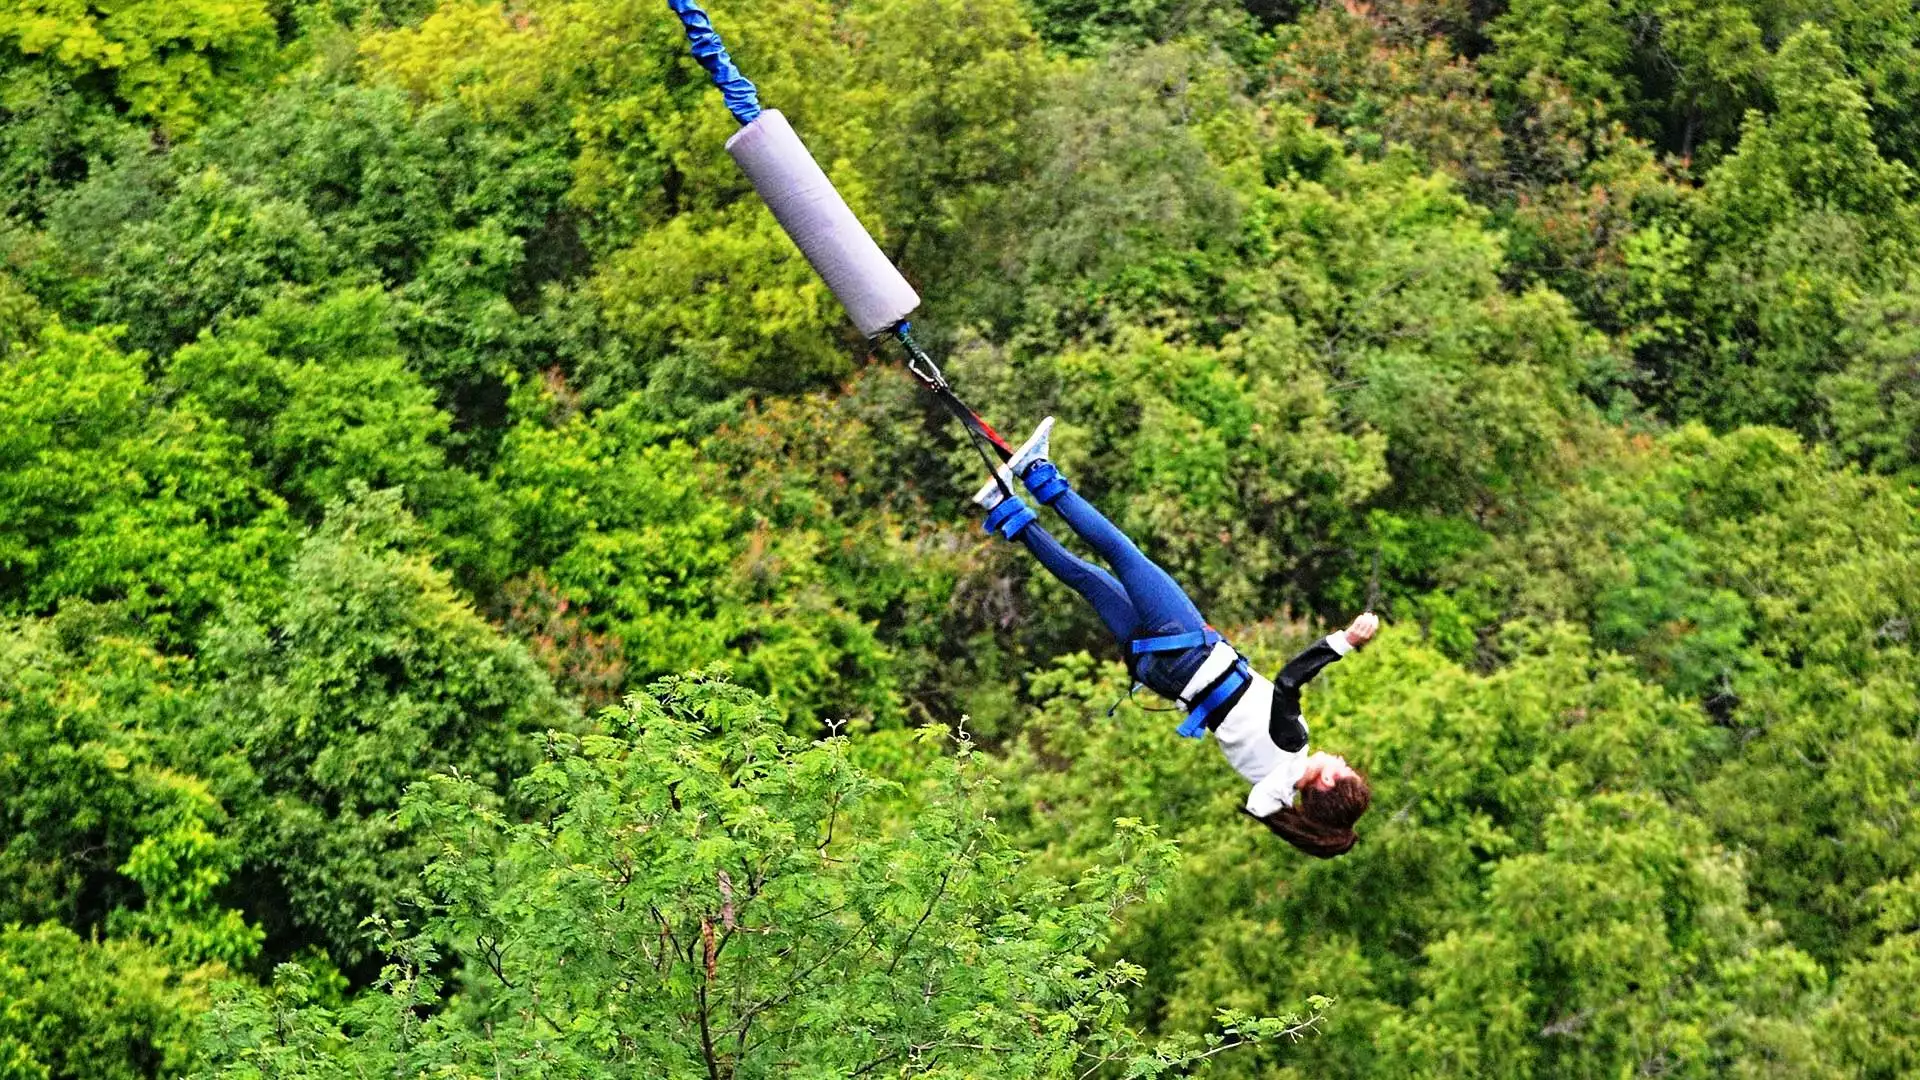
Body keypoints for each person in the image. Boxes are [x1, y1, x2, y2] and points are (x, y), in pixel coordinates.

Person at [976, 418, 1375, 857]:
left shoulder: (1292, 747)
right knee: (1089, 581)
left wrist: (1344, 643)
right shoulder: (1265, 787)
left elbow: (1287, 682)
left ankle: (1037, 472)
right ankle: (1003, 507)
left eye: (1344, 769)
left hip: (1187, 646)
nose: (1340, 760)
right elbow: (1263, 807)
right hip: (1158, 672)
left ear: (1327, 782)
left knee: (1122, 553)